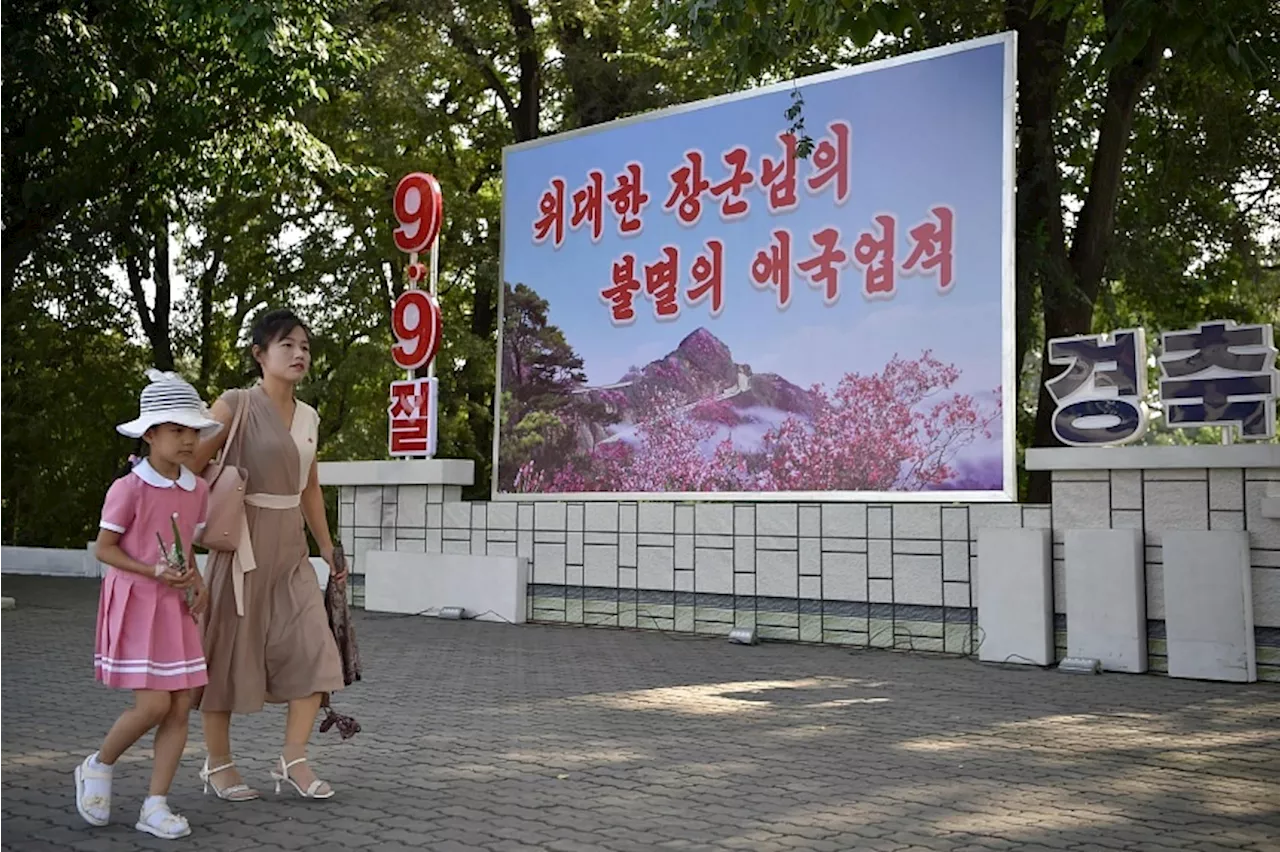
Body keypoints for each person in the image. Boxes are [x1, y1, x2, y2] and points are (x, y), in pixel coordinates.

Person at [192, 308, 346, 802]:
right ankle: (218, 763)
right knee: (225, 655)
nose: (299, 353)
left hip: (291, 551)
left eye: (305, 346)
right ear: (260, 354)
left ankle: (293, 759)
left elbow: (311, 487)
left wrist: (326, 544)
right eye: (287, 345)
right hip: (243, 548)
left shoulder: (309, 417)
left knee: (317, 650)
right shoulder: (234, 405)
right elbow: (190, 466)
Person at [75, 370, 218, 840]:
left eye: (193, 430)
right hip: (138, 603)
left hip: (176, 608)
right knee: (154, 704)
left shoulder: (197, 489)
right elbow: (105, 549)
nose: (187, 439)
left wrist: (197, 582)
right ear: (150, 433)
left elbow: (185, 549)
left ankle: (155, 804)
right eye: (176, 430)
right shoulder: (129, 488)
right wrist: (152, 572)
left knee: (180, 706)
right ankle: (98, 765)